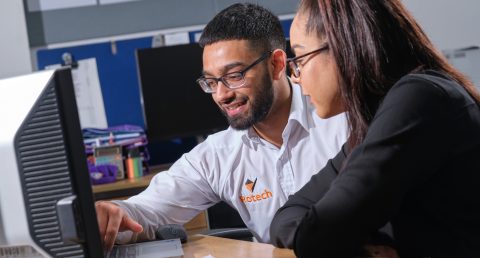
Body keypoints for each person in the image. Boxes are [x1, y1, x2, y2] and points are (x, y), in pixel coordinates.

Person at [95, 3, 348, 250]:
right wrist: (114, 213)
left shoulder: (343, 119)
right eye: (211, 82)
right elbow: (150, 210)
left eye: (234, 76)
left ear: (277, 64)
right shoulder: (218, 155)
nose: (221, 95)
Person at [269, 0, 480, 257]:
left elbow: (323, 232)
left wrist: (336, 238)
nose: (296, 77)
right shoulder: (377, 119)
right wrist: (362, 248)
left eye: (300, 58)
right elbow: (288, 214)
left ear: (343, 48)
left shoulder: (418, 99)